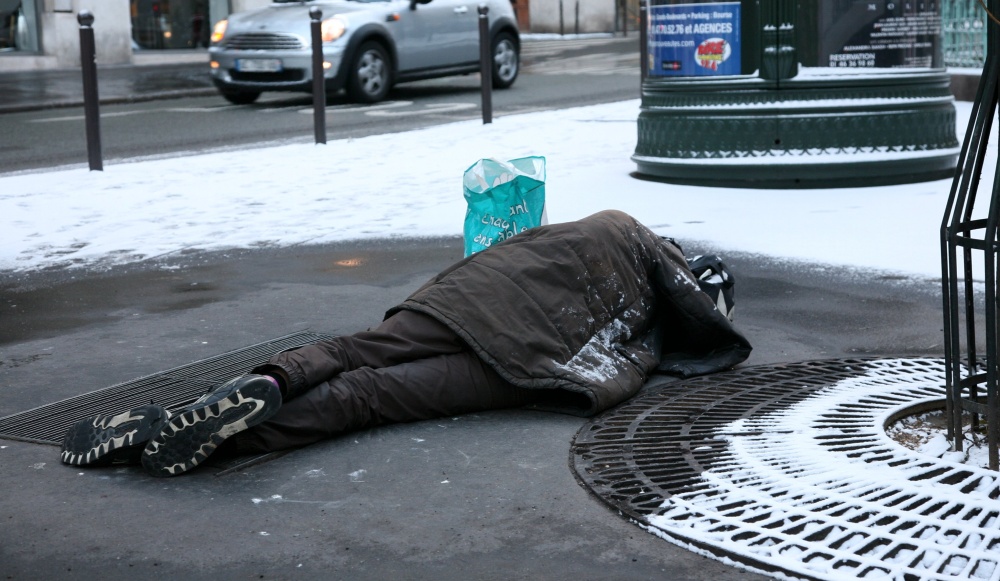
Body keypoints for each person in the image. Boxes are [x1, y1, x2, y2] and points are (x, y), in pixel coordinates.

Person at [60, 210, 752, 477]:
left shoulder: (611, 225)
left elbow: (523, 251)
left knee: (358, 350)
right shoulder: (654, 304)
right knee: (371, 397)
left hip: (471, 301)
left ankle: (239, 393)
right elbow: (686, 343)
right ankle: (218, 442)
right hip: (522, 364)